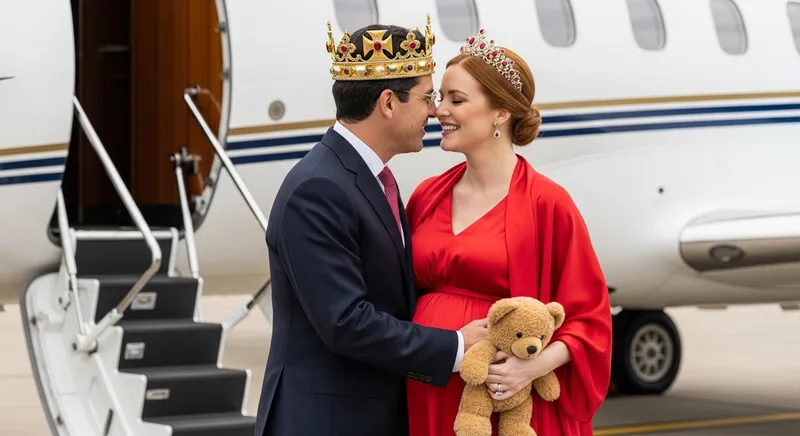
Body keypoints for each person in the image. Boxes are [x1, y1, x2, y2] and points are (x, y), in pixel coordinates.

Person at [253, 16, 489, 436]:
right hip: (327, 422)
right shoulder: (319, 188)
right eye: (426, 97)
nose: (434, 111)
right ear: (387, 103)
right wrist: (455, 345)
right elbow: (346, 322)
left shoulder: (368, 178)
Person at [405, 28, 613, 435]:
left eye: (456, 100)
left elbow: (590, 317)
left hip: (505, 393)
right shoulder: (426, 196)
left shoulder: (547, 203)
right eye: (439, 98)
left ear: (500, 111)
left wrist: (530, 367)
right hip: (427, 385)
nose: (438, 111)